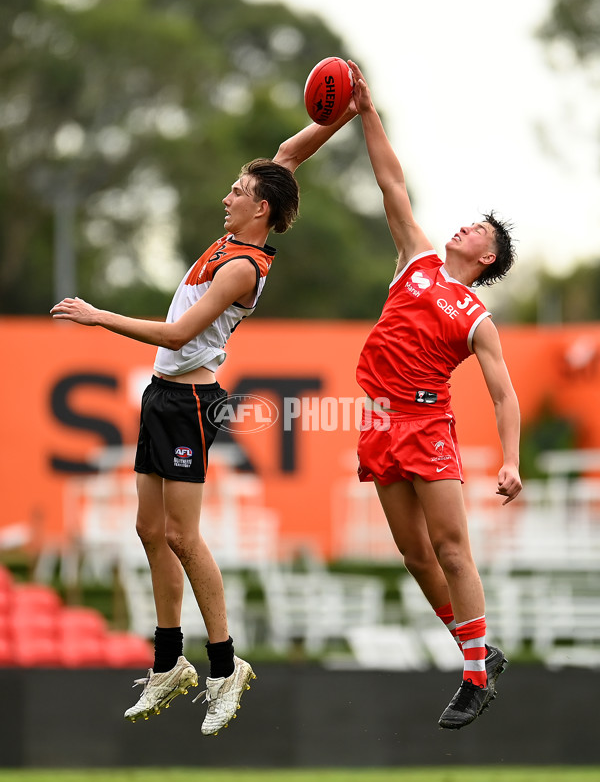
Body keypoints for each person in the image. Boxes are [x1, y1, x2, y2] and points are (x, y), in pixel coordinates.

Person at [51, 110, 355, 736]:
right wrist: (347, 110)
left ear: (263, 211)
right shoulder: (245, 226)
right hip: (163, 397)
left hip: (192, 403)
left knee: (185, 537)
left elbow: (179, 333)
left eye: (240, 192)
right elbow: (289, 153)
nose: (228, 195)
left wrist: (97, 316)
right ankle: (169, 662)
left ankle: (224, 665)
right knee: (148, 528)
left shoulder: (243, 267)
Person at [348, 60, 522, 729]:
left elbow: (504, 396)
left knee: (453, 551)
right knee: (415, 555)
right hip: (379, 424)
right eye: (472, 222)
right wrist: (367, 110)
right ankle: (478, 650)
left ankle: (475, 676)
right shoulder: (415, 259)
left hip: (426, 428)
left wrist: (509, 460)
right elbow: (390, 181)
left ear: (488, 258)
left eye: (481, 230)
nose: (467, 227)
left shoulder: (476, 317)